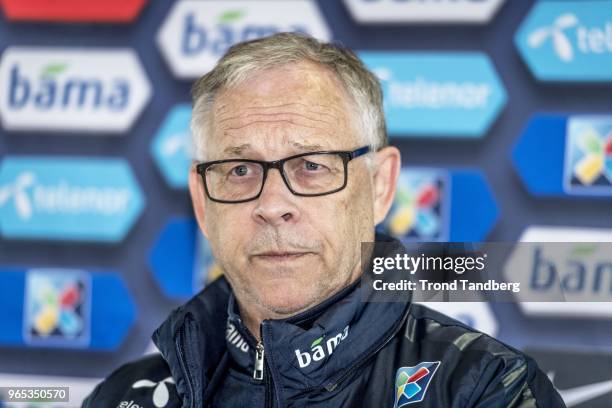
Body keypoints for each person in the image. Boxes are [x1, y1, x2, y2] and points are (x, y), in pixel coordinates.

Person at [83, 33, 565, 407]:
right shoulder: (126, 397)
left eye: (311, 166)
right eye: (239, 169)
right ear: (202, 202)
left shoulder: (484, 389)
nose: (272, 204)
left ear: (380, 185)